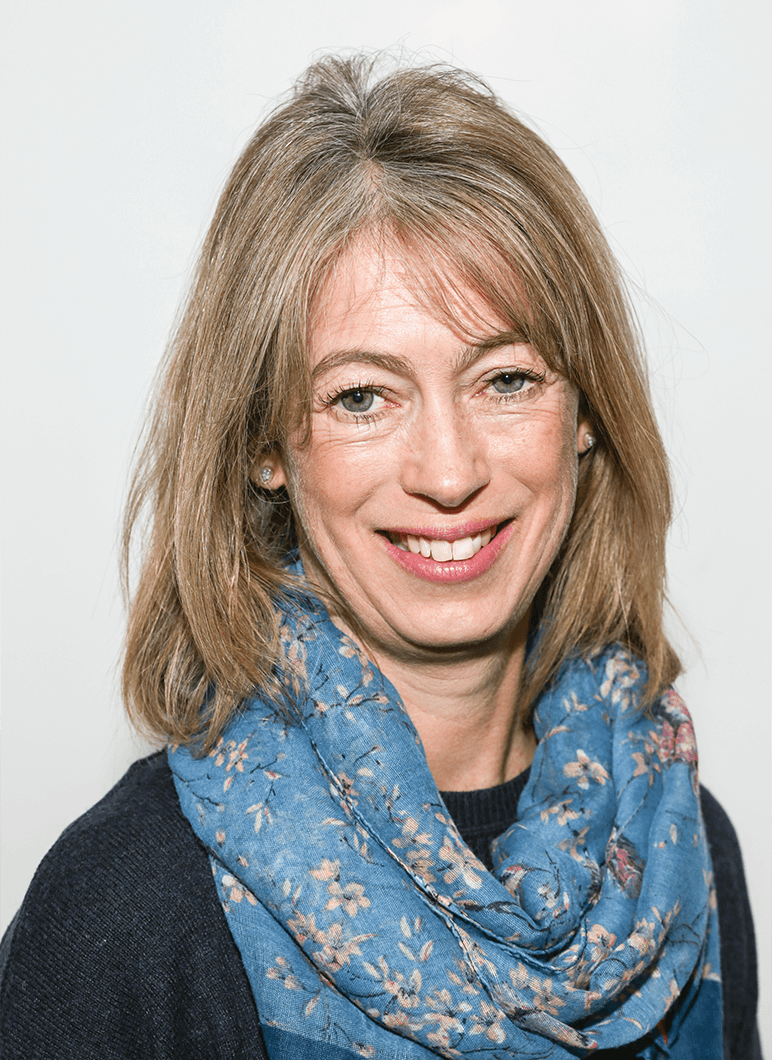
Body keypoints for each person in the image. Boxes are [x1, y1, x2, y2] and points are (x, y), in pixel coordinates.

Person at [0, 55, 761, 1060]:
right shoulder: (126, 909)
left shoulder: (677, 853)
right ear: (266, 446)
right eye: (362, 396)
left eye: (505, 379)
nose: (449, 472)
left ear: (584, 415)